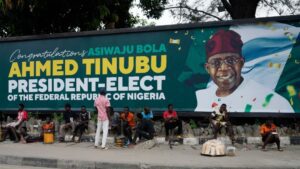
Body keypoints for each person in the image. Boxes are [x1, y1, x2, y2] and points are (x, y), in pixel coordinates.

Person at [195, 29, 294, 113]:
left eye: (231, 60)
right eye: (216, 62)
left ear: (241, 63)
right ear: (207, 68)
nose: (224, 68)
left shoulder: (272, 102)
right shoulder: (204, 98)